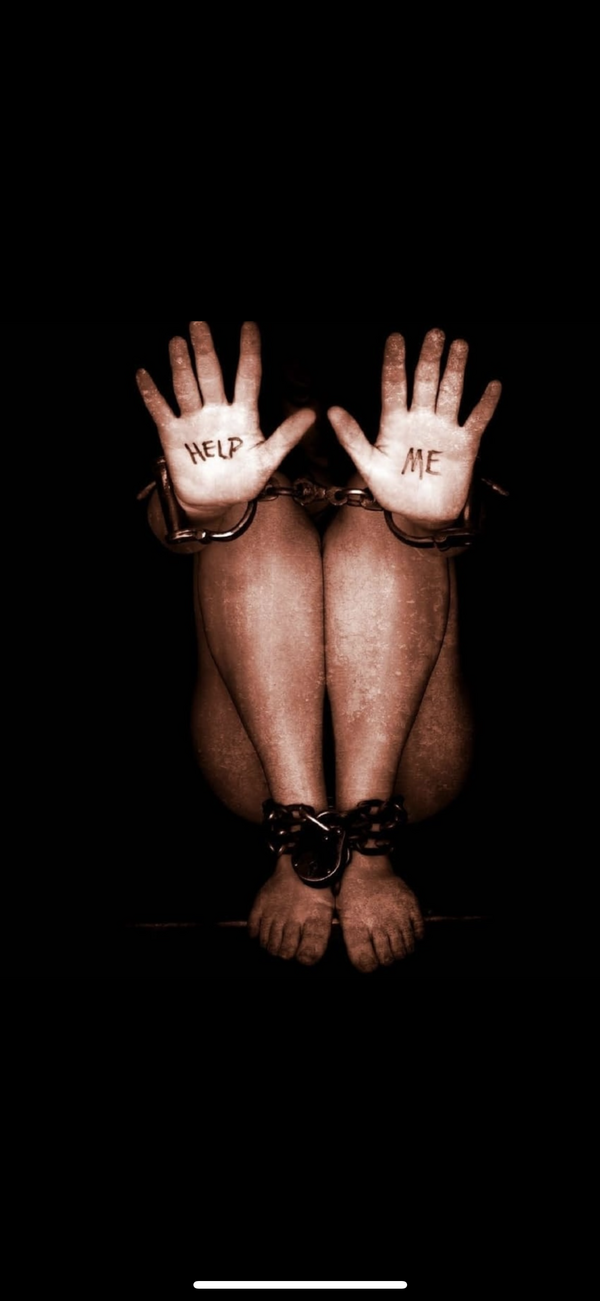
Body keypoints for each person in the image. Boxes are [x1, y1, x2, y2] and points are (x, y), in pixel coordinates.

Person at [137, 322, 502, 972]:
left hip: (410, 764)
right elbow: (166, 530)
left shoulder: (396, 453)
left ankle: (368, 847)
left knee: (381, 510)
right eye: (295, 392)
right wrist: (206, 510)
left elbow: (475, 524)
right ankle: (302, 840)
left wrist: (430, 519)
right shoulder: (246, 456)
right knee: (256, 512)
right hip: (260, 773)